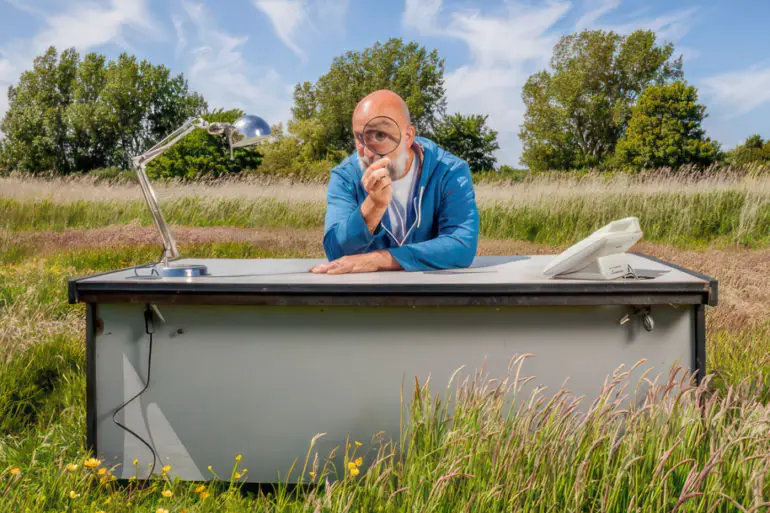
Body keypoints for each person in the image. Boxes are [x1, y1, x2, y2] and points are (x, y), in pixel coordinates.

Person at [310, 89, 479, 275]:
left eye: (380, 136)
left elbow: (461, 246)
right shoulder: (346, 176)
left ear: (407, 137)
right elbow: (336, 252)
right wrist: (373, 206)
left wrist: (380, 259)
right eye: (359, 137)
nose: (367, 152)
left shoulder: (449, 171)